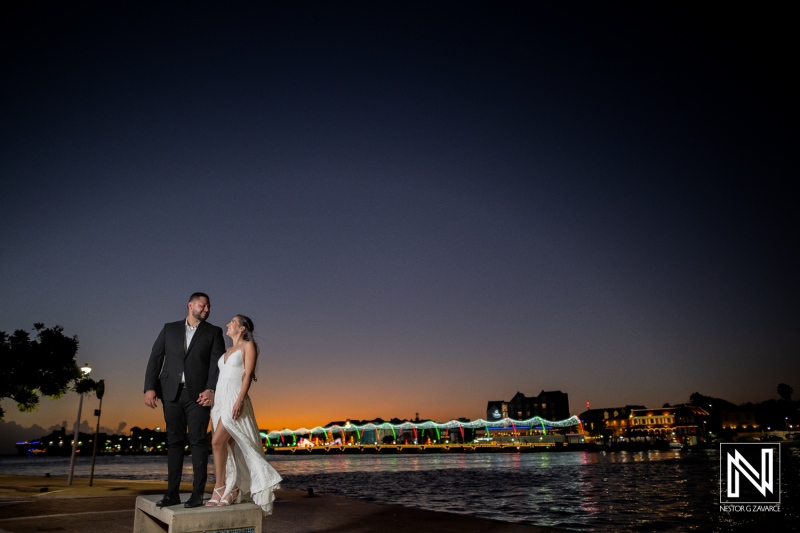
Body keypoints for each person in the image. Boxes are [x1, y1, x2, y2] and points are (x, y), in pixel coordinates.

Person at [143, 292, 225, 508]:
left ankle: (197, 494)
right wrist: (150, 388)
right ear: (190, 305)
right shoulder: (169, 329)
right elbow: (155, 358)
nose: (207, 309)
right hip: (170, 393)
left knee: (198, 442)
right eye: (203, 305)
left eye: (209, 306)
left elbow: (217, 364)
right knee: (174, 442)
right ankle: (172, 494)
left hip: (198, 396)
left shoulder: (214, 332)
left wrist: (211, 389)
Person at [206, 314, 282, 513]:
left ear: (242, 328)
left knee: (216, 442)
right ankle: (233, 489)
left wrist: (239, 400)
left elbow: (247, 375)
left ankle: (220, 487)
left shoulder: (248, 346)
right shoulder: (227, 351)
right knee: (228, 447)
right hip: (220, 401)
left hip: (234, 400)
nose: (227, 324)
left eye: (232, 322)